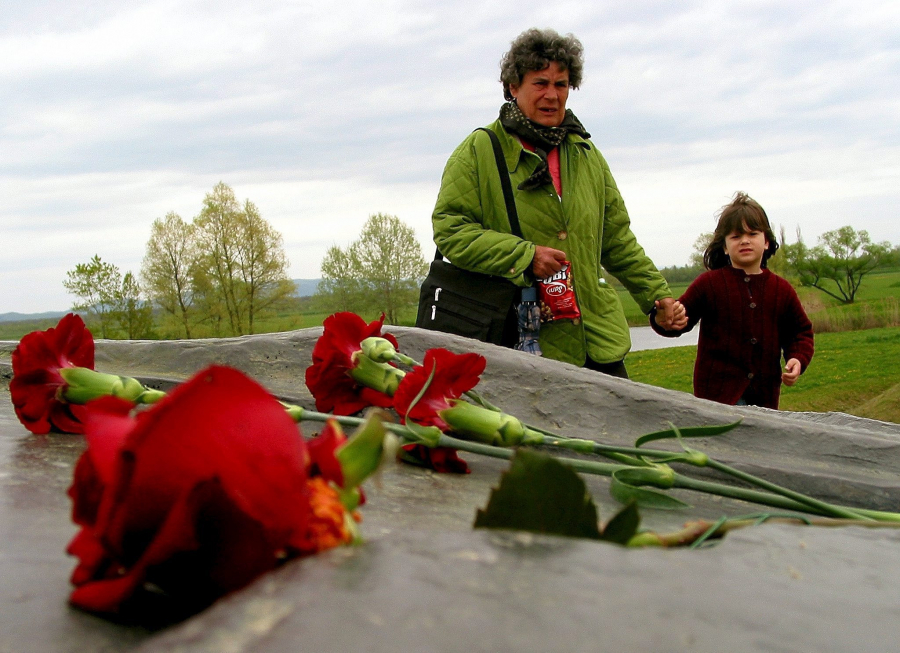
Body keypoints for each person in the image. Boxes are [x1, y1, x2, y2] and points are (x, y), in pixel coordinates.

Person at [431, 28, 678, 379]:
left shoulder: (587, 154)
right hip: (520, 345)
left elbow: (617, 240)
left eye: (561, 84)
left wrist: (657, 296)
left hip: (598, 342)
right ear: (513, 86)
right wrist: (526, 255)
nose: (552, 95)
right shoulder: (478, 151)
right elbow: (451, 232)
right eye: (540, 83)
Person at [651, 192, 814, 409]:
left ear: (766, 241)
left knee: (757, 443)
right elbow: (679, 318)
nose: (745, 240)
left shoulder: (781, 290)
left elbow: (800, 332)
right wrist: (666, 318)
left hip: (764, 398)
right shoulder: (708, 284)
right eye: (736, 236)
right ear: (725, 247)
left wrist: (797, 359)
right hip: (716, 399)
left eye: (752, 233)